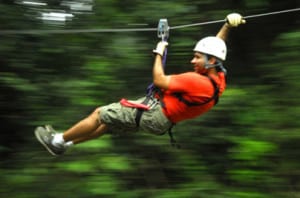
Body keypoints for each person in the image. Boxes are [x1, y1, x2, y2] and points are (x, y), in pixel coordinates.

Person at [35, 13, 246, 156]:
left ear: (210, 61)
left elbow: (159, 80)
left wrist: (159, 52)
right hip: (160, 118)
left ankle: (58, 141)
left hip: (154, 114)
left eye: (197, 57)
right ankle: (67, 144)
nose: (192, 61)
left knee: (100, 113)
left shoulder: (196, 81)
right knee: (107, 123)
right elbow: (217, 46)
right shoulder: (217, 78)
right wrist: (227, 25)